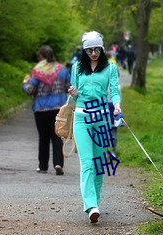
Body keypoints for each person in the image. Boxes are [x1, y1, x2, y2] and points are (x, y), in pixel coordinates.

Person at [68, 31, 121, 223]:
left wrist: (116, 104)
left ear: (102, 48)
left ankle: (96, 201)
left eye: (97, 49)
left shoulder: (110, 68)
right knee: (88, 163)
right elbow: (74, 97)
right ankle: (90, 205)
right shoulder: (76, 68)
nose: (93, 53)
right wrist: (73, 92)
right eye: (89, 50)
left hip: (101, 119)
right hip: (81, 118)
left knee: (99, 164)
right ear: (84, 50)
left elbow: (114, 90)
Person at [22, 45, 71, 175]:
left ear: (41, 57)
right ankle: (58, 163)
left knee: (43, 138)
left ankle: (43, 166)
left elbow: (30, 90)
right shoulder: (62, 70)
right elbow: (69, 87)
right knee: (57, 137)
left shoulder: (37, 71)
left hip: (41, 109)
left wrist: (25, 83)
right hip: (58, 109)